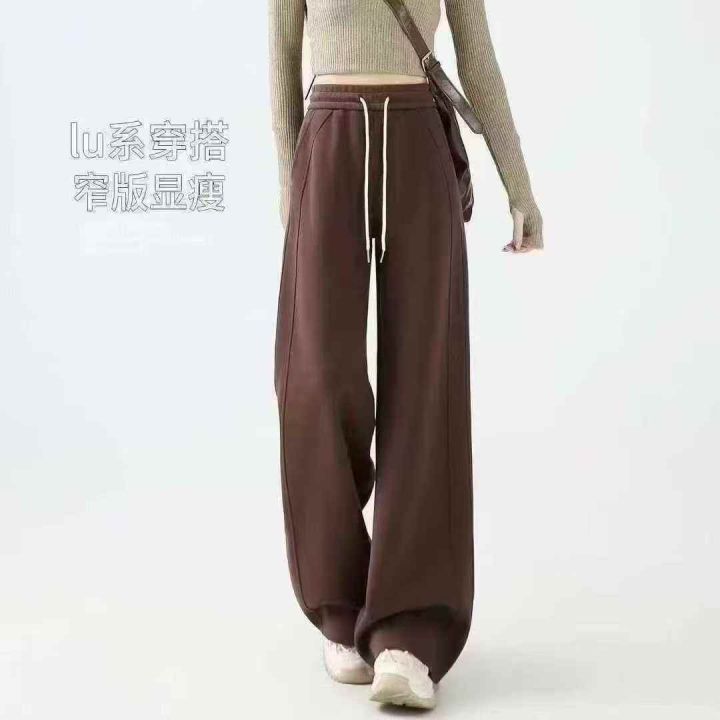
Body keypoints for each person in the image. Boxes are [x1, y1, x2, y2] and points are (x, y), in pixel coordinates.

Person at [269, 0, 543, 709]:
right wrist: (288, 186)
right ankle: (338, 605)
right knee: (315, 377)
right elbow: (282, 55)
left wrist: (518, 185)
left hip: (419, 139)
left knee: (426, 384)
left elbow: (475, 54)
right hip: (329, 138)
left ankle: (409, 633)